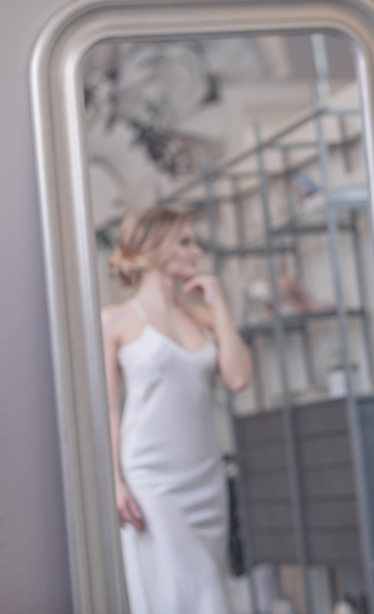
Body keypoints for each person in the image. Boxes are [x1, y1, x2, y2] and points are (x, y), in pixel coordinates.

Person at [101, 206, 253, 614]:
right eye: (186, 241)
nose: (197, 251)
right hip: (150, 477)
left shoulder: (202, 318)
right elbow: (110, 411)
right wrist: (114, 480)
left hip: (205, 476)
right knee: (185, 588)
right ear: (156, 246)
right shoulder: (114, 322)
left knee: (210, 580)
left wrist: (218, 302)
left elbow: (238, 378)